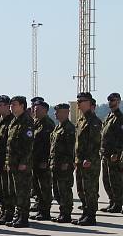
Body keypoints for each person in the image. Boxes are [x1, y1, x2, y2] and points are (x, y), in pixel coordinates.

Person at [5, 96, 34, 228]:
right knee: (14, 191)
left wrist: (24, 162)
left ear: (22, 106)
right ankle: (18, 215)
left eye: (14, 104)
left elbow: (28, 145)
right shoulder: (14, 121)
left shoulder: (26, 121)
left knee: (22, 191)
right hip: (12, 163)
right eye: (11, 105)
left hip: (22, 164)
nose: (12, 107)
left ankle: (23, 217)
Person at [74, 91, 102, 226]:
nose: (78, 103)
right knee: (81, 189)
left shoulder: (94, 121)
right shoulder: (81, 120)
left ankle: (91, 216)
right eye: (78, 101)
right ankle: (85, 213)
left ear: (89, 103)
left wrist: (88, 159)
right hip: (80, 162)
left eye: (81, 101)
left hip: (90, 162)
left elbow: (95, 143)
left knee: (90, 189)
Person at [50, 103, 76, 223]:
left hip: (64, 165)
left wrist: (67, 162)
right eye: (55, 111)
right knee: (57, 190)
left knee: (64, 189)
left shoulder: (69, 128)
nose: (55, 113)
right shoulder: (57, 127)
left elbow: (71, 148)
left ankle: (66, 213)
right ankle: (62, 211)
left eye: (58, 111)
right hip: (56, 164)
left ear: (66, 113)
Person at [30, 100, 55, 220]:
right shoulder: (36, 123)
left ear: (45, 110)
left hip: (43, 161)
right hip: (35, 161)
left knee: (44, 187)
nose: (35, 111)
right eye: (34, 109)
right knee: (37, 188)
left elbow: (49, 145)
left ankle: (46, 211)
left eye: (38, 109)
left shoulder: (48, 124)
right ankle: (41, 210)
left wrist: (46, 160)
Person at [0, 96, 14, 225]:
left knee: (7, 189)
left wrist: (7, 161)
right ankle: (4, 211)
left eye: (0, 105)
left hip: (6, 162)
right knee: (0, 189)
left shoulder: (11, 121)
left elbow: (10, 144)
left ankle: (9, 213)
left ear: (7, 106)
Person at [101, 92, 123, 213]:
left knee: (115, 181)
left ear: (118, 101)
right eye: (109, 100)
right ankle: (112, 202)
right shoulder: (108, 116)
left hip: (114, 155)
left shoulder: (120, 118)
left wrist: (117, 152)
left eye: (113, 100)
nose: (111, 102)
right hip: (105, 154)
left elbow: (121, 137)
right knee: (106, 180)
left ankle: (118, 204)